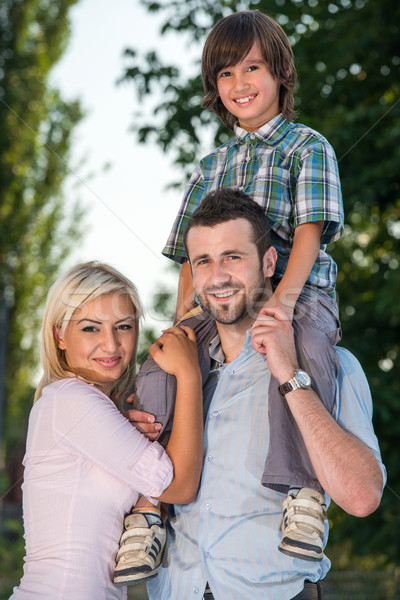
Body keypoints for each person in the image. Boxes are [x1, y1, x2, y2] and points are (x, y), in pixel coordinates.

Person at [117, 9, 344, 575]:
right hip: (218, 304)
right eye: (226, 74)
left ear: (281, 75)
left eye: (252, 69)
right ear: (215, 88)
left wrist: (284, 303)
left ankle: (305, 492)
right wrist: (181, 326)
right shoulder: (209, 167)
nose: (240, 85)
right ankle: (148, 510)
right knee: (158, 370)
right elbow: (190, 260)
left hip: (298, 289)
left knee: (305, 352)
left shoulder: (305, 147)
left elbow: (311, 233)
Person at [126, 191, 385, 600]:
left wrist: (286, 373)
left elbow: (362, 495)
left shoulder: (332, 365)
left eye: (233, 257)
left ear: (268, 262)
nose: (218, 276)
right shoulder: (171, 376)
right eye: (204, 262)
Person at [10, 261, 204, 600]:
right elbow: (181, 486)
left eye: (123, 327)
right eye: (90, 329)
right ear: (59, 334)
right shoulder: (70, 399)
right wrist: (189, 375)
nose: (111, 345)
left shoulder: (96, 410)